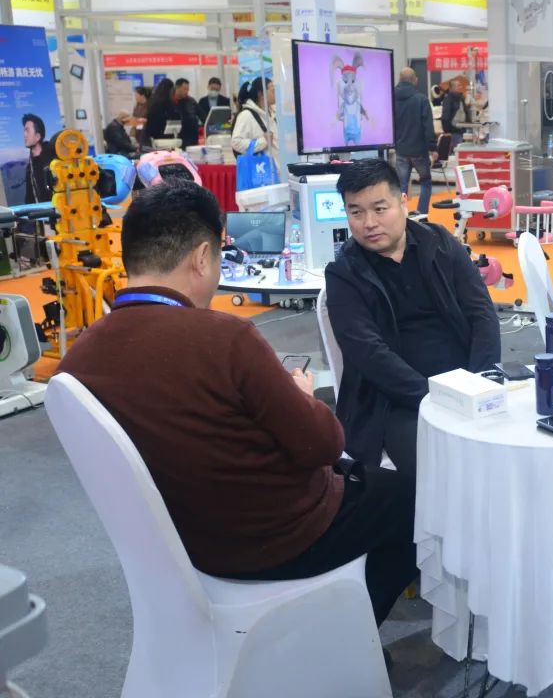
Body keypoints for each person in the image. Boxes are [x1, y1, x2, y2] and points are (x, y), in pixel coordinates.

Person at [56, 180, 418, 627]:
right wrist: (303, 399)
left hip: (177, 543)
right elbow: (323, 445)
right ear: (202, 257)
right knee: (415, 502)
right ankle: (348, 638)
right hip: (276, 537)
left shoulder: (78, 360)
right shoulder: (224, 339)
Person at [324, 159, 500, 476]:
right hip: (394, 402)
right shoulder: (343, 274)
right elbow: (369, 353)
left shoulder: (440, 244)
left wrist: (481, 381)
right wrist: (435, 398)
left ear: (403, 202)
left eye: (380, 209)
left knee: (517, 445)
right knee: (441, 468)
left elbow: (482, 314)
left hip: (468, 380)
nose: (369, 223)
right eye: (356, 212)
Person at [393, 68, 437, 216]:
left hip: (400, 150)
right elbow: (428, 126)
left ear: (400, 79)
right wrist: (433, 147)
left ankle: (400, 215)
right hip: (419, 150)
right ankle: (422, 214)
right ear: (414, 80)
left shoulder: (391, 99)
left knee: (401, 185)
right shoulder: (421, 100)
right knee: (425, 181)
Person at [231, 78, 276, 161]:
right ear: (261, 94)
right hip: (261, 167)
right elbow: (236, 143)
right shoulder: (246, 115)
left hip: (278, 166)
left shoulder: (274, 112)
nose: (276, 93)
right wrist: (262, 142)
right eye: (273, 90)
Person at [22, 114, 56, 204]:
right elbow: (30, 197)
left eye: (27, 130)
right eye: (24, 131)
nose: (24, 135)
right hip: (43, 211)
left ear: (38, 136)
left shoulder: (53, 156)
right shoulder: (30, 167)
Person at [143, 78, 180, 148]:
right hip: (165, 136)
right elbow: (174, 117)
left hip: (154, 136)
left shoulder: (153, 101)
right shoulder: (167, 103)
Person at [439, 77, 472, 149]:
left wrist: (469, 125)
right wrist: (447, 130)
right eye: (458, 85)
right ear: (452, 88)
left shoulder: (461, 98)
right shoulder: (448, 99)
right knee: (456, 151)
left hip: (462, 131)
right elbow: (445, 115)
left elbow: (465, 112)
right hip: (453, 132)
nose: (461, 87)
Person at [173, 78, 201, 148]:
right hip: (178, 138)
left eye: (188, 89)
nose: (187, 91)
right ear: (177, 88)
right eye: (184, 89)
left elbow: (202, 115)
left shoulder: (191, 101)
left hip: (192, 137)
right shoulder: (170, 101)